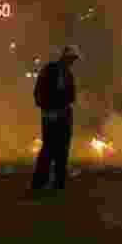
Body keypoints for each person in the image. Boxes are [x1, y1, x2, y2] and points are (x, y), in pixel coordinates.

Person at [30, 44, 81, 192]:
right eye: (71, 58)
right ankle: (39, 184)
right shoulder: (51, 70)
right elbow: (39, 93)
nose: (72, 62)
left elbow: (71, 96)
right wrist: (49, 109)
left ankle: (58, 184)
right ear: (65, 57)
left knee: (62, 151)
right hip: (52, 116)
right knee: (49, 150)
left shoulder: (67, 73)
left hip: (63, 116)